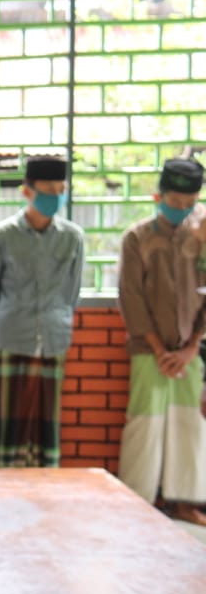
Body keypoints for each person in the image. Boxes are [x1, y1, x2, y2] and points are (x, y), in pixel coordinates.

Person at [0, 156, 85, 468]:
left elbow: (71, 292)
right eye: (48, 189)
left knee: (46, 426)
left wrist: (60, 320)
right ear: (27, 191)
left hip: (54, 339)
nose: (56, 195)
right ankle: (8, 488)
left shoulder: (73, 237)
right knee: (9, 425)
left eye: (60, 189)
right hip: (11, 337)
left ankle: (46, 491)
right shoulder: (2, 235)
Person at [116, 157, 206, 526]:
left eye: (189, 204)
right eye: (175, 201)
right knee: (145, 423)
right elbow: (131, 298)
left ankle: (185, 503)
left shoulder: (200, 237)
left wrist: (189, 349)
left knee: (190, 425)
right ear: (158, 196)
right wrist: (159, 350)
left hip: (190, 352)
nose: (181, 210)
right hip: (147, 351)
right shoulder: (136, 238)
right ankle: (137, 502)